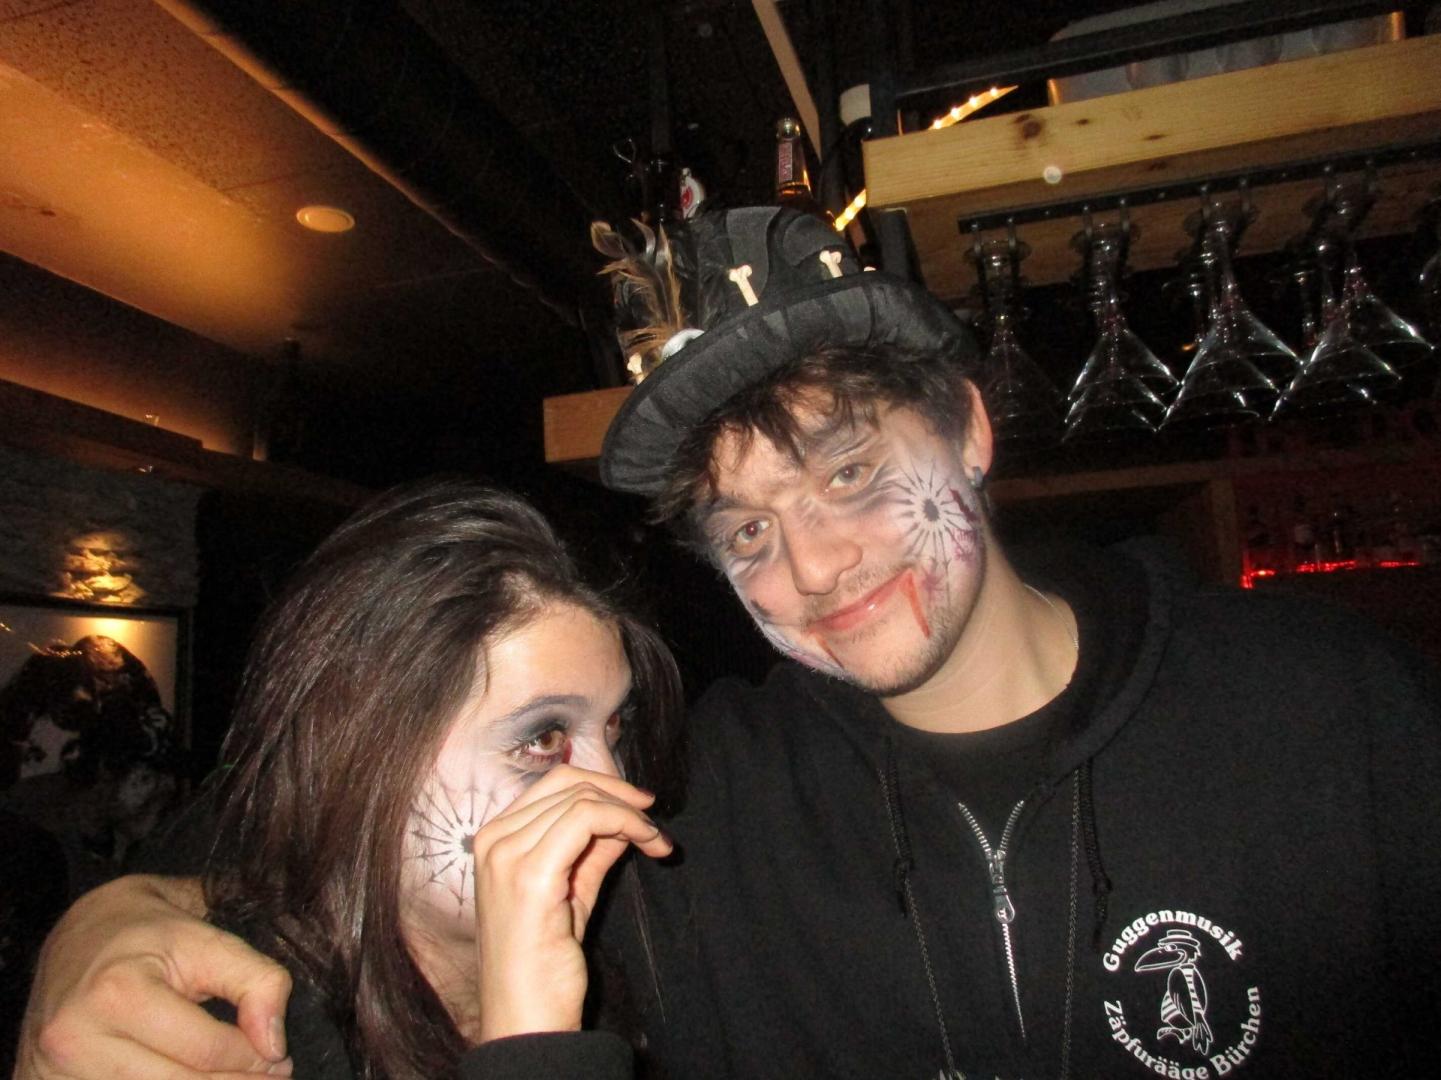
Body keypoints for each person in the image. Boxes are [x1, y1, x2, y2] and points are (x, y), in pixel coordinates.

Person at [19, 208, 1441, 1079]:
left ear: (965, 426)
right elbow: (348, 817)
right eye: (746, 529)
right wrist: (116, 914)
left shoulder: (1331, 708)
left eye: (848, 472)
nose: (811, 566)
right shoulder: (698, 799)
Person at [20, 477, 683, 1079]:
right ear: (363, 758)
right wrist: (534, 1049)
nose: (616, 789)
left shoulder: (631, 941)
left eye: (614, 730)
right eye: (542, 739)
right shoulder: (239, 1032)